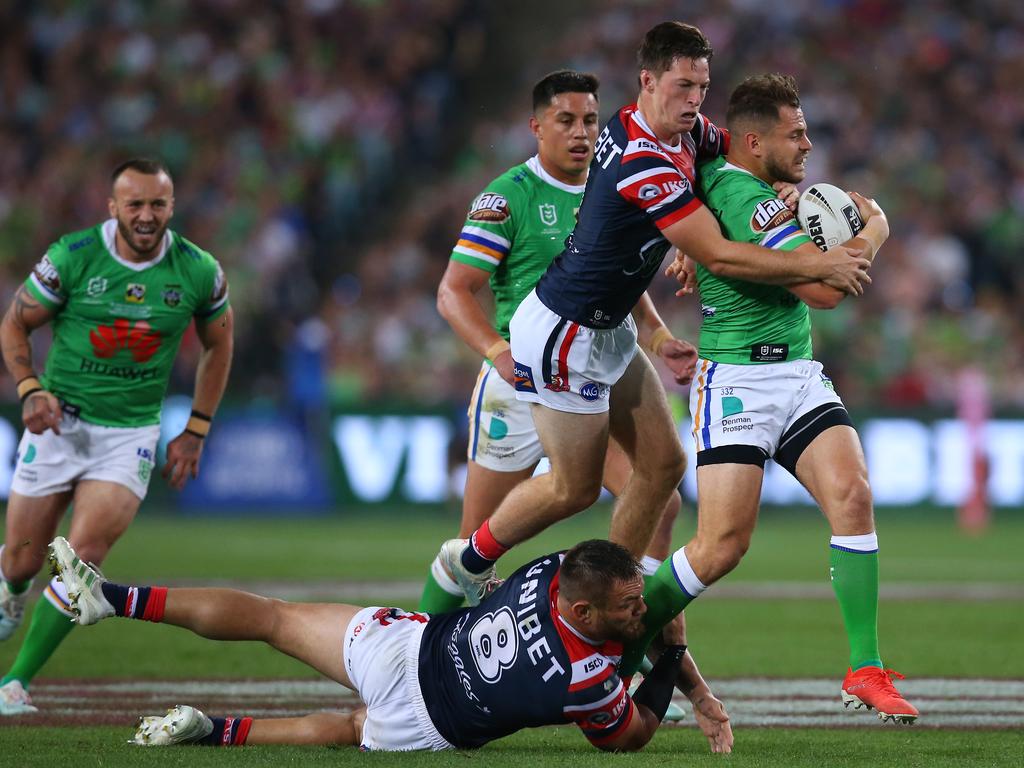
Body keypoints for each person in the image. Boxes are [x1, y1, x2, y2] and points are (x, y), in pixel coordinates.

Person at [441, 22, 871, 606]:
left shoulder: (688, 134)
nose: (694, 99)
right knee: (574, 488)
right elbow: (718, 251)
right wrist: (816, 266)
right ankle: (468, 560)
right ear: (648, 80)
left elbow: (744, 167)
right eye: (682, 85)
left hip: (614, 328)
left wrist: (783, 198)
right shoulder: (640, 156)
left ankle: (617, 603)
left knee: (664, 468)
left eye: (702, 85)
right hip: (563, 332)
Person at [657, 73, 916, 723]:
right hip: (736, 381)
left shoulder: (734, 180)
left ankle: (865, 668)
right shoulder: (749, 201)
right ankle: (621, 628)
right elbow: (825, 291)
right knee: (721, 547)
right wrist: (876, 225)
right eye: (794, 134)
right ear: (753, 140)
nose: (807, 143)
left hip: (797, 375)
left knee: (853, 495)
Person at [47, 535, 733, 752]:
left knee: (274, 617)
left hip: (408, 645)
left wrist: (650, 633)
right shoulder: (584, 680)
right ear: (583, 608)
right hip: (427, 720)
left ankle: (112, 598)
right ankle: (212, 732)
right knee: (350, 727)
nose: (640, 607)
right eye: (626, 604)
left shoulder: (553, 569)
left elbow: (616, 602)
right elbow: (626, 738)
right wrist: (671, 658)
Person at [424, 70, 694, 615]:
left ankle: (619, 621)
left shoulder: (613, 181)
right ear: (537, 127)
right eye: (566, 121)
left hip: (588, 370)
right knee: (472, 549)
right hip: (519, 379)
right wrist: (497, 353)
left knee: (661, 500)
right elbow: (454, 292)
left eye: (590, 120)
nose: (581, 132)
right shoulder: (508, 197)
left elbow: (620, 276)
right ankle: (425, 664)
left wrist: (658, 333)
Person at [0, 158, 234, 715]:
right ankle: (11, 592)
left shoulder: (199, 270)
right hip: (60, 424)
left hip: (129, 434)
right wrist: (31, 388)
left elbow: (219, 345)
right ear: (113, 208)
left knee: (83, 558)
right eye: (135, 204)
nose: (147, 215)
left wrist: (196, 428)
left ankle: (15, 683)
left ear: (172, 207)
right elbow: (14, 322)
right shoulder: (72, 257)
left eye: (158, 204)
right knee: (23, 561)